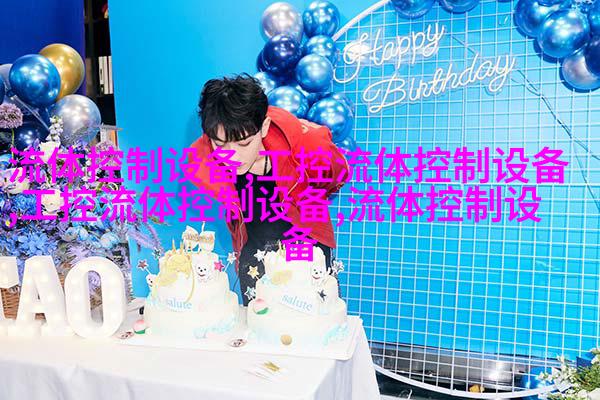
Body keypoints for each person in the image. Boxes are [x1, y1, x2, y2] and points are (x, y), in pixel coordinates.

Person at [189, 74, 349, 305]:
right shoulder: (204, 158)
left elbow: (335, 176)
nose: (230, 157)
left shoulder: (307, 147)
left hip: (307, 249)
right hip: (254, 256)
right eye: (220, 144)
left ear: (263, 127)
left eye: (243, 143)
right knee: (259, 322)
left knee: (314, 319)